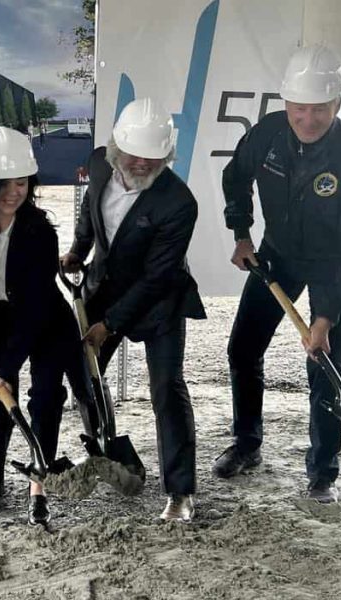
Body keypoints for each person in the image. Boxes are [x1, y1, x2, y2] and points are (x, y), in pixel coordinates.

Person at [213, 44, 341, 504]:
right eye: (299, 108)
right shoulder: (268, 134)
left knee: (324, 364)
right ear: (286, 101)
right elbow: (236, 176)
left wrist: (325, 318)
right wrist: (242, 234)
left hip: (333, 265)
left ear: (338, 105)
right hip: (278, 256)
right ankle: (247, 444)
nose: (308, 119)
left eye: (320, 109)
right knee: (243, 348)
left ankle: (322, 474)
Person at [61, 97, 206, 521]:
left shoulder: (178, 202)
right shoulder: (99, 164)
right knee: (84, 377)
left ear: (167, 155)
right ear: (115, 148)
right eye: (133, 154)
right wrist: (78, 250)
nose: (141, 163)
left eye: (152, 157)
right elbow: (91, 210)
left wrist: (109, 324)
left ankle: (180, 492)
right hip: (104, 289)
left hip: (159, 302)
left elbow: (156, 278)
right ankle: (106, 450)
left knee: (167, 390)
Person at [0, 127, 83, 527]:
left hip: (43, 320)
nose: (13, 192)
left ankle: (38, 486)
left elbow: (35, 310)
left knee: (45, 397)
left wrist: (7, 368)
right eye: (3, 184)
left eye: (21, 183)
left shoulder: (39, 231)